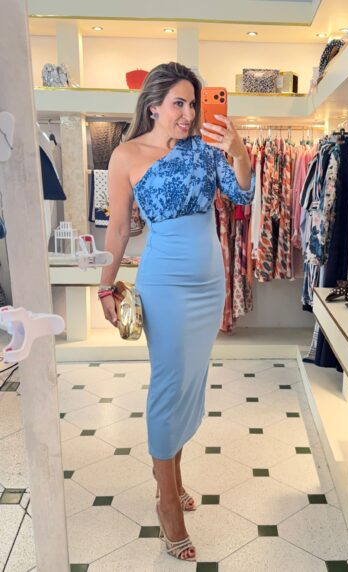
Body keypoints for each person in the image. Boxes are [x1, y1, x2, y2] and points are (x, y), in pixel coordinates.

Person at [98, 62, 254, 562]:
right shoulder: (126, 155)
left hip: (209, 284)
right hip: (163, 284)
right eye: (178, 104)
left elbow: (243, 193)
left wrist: (238, 151)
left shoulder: (206, 149)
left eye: (193, 104)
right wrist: (105, 287)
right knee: (169, 386)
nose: (188, 114)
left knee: (190, 383)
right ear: (154, 106)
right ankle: (167, 503)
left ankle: (172, 476)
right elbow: (118, 229)